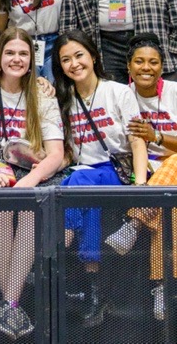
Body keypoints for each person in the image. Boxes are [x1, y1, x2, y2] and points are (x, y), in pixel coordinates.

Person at [102, 33, 177, 321]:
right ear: (128, 66)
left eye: (153, 62)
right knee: (168, 208)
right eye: (139, 61)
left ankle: (135, 222)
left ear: (162, 66)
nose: (146, 67)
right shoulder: (120, 96)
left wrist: (159, 137)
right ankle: (162, 287)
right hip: (159, 181)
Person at [0, 27, 66, 340]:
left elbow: (56, 154)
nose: (16, 59)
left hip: (32, 165)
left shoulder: (42, 94)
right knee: (1, 206)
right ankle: (12, 302)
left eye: (23, 54)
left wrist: (32, 180)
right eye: (9, 52)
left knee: (32, 207)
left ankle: (8, 302)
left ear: (32, 59)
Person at [52, 30, 144, 328]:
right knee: (77, 192)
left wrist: (141, 184)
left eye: (79, 55)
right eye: (65, 59)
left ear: (93, 56)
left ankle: (58, 250)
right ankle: (94, 283)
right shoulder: (63, 98)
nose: (73, 63)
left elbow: (138, 141)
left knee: (77, 186)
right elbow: (68, 152)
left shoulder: (118, 92)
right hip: (84, 174)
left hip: (117, 169)